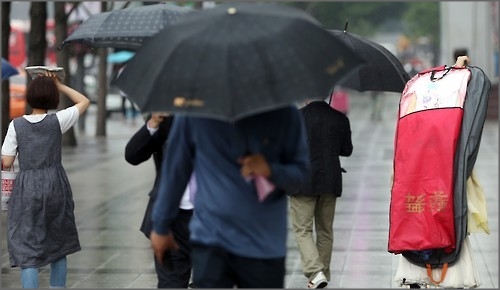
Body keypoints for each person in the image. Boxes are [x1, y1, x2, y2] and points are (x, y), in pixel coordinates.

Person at [149, 105, 310, 288]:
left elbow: (300, 175)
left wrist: (271, 170)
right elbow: (176, 171)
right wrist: (160, 225)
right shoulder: (195, 111)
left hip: (263, 243)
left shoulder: (283, 113)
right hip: (211, 239)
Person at [1, 71, 90, 288]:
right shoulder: (57, 121)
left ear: (29, 97)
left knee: (27, 246)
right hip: (55, 184)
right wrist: (58, 85)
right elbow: (84, 101)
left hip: (26, 187)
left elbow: (6, 161)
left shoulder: (16, 125)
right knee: (58, 243)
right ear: (53, 98)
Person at [288, 99, 353, 289]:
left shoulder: (297, 118)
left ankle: (315, 273)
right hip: (330, 181)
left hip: (302, 183)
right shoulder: (340, 118)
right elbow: (347, 150)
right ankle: (321, 273)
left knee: (303, 229)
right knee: (325, 231)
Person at [125, 113, 194, 288]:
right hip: (172, 220)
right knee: (171, 283)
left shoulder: (221, 118)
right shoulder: (167, 117)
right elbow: (133, 155)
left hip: (212, 217)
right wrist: (153, 123)